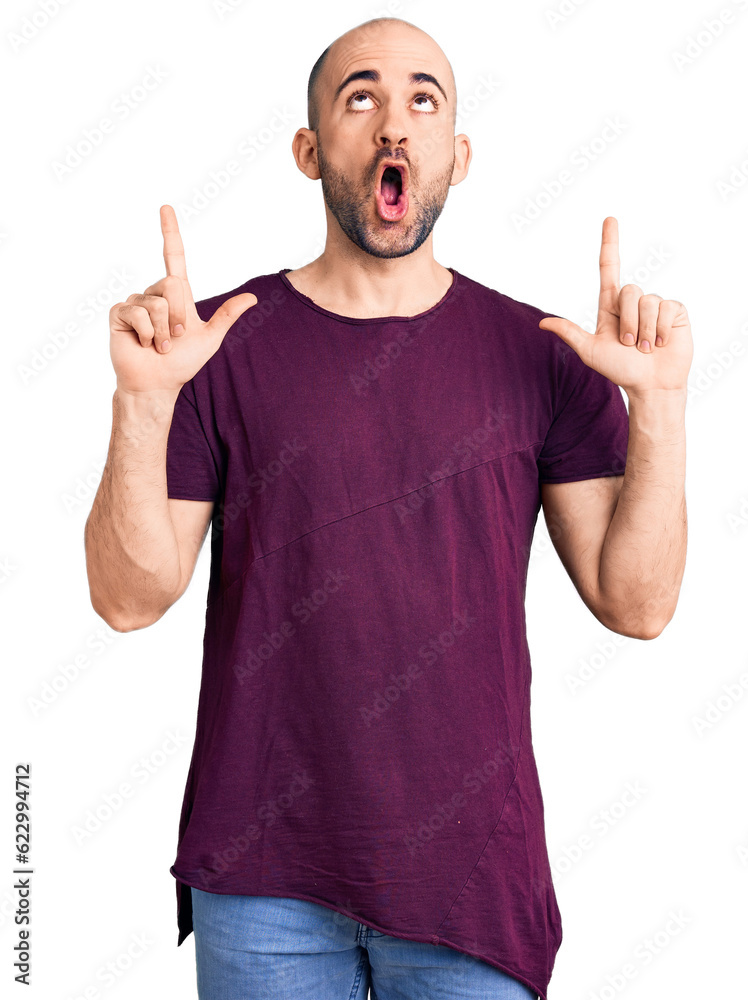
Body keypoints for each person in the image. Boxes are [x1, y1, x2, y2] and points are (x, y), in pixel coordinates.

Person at [84, 15, 692, 1000]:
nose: (393, 126)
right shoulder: (213, 350)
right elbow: (127, 597)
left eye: (423, 99)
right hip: (262, 876)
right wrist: (141, 405)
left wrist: (657, 407)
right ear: (309, 148)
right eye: (359, 97)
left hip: (472, 889)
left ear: (458, 153)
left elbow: (638, 605)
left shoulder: (542, 356)